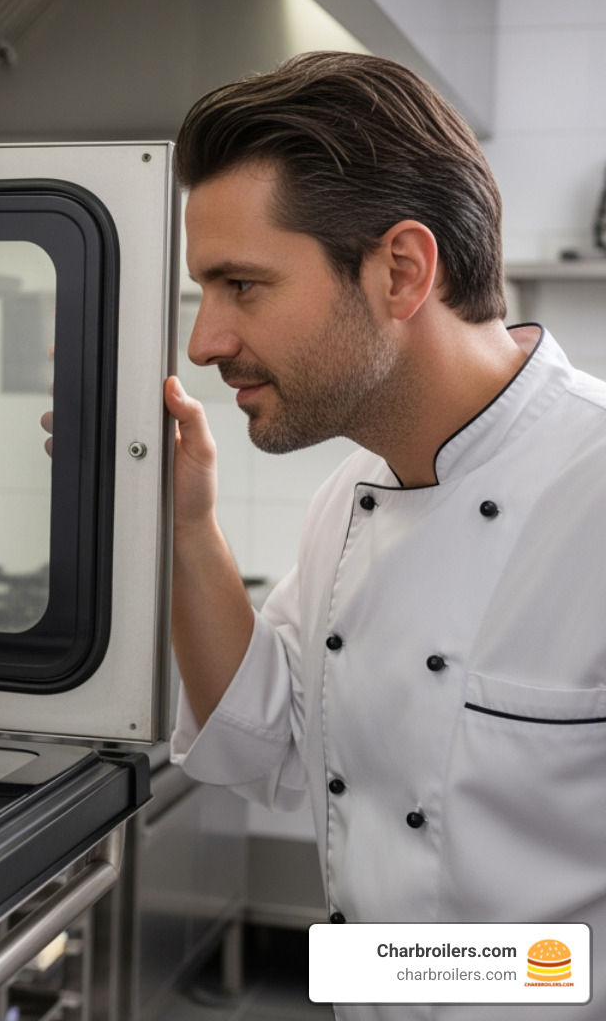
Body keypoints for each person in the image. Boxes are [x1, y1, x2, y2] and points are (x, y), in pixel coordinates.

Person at [164, 52, 606, 1020]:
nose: (204, 341)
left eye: (242, 285)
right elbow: (258, 747)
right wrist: (187, 527)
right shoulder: (350, 494)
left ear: (401, 270)